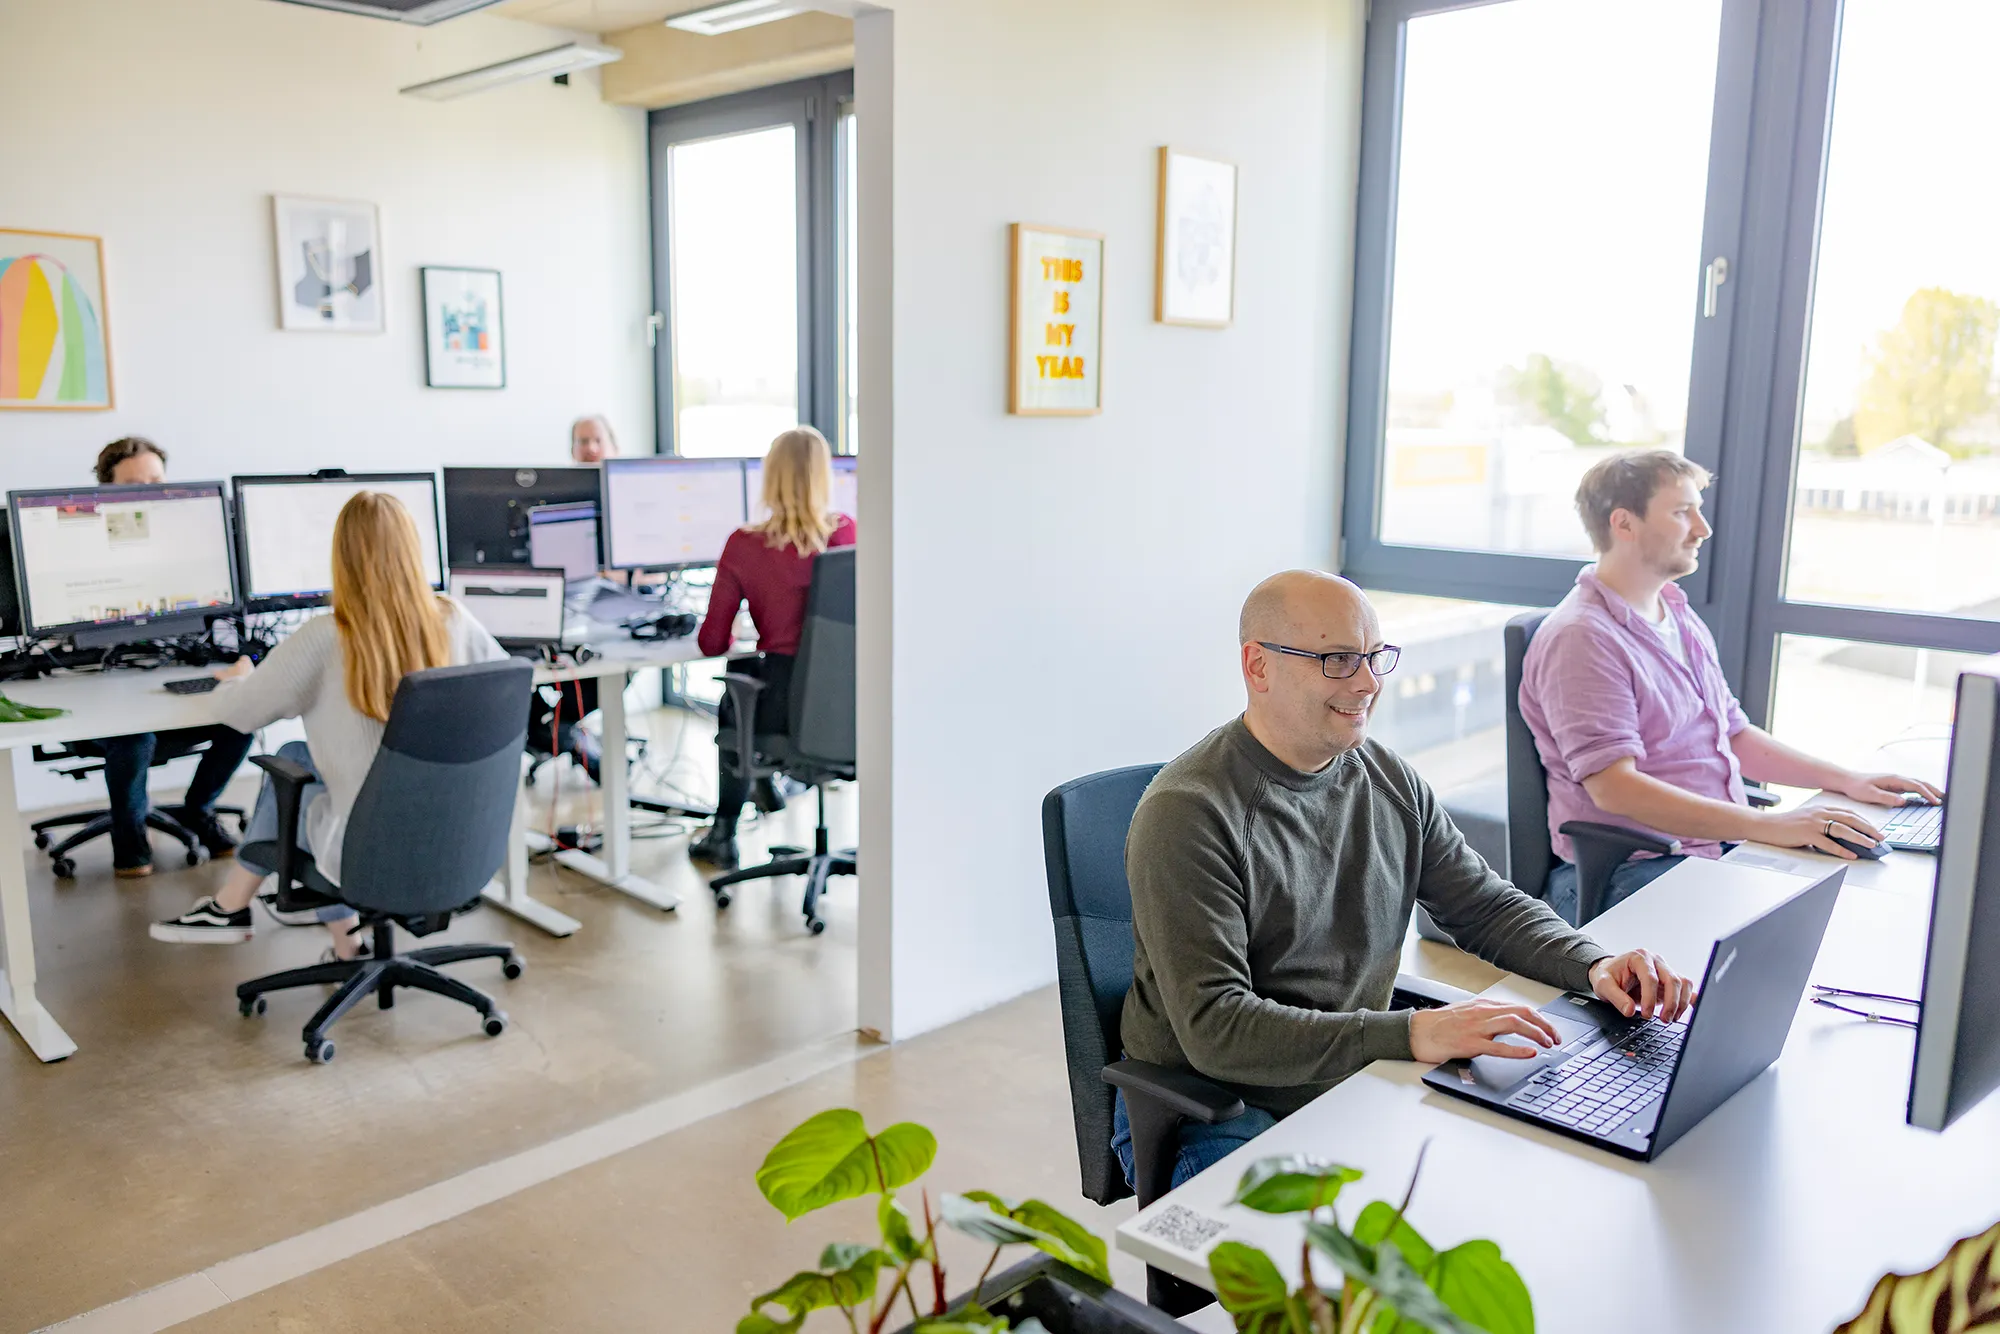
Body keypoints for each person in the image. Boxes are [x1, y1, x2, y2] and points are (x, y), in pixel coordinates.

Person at [1114, 570, 1692, 1190]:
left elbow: (1483, 907)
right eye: (1338, 659)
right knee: (1336, 1253)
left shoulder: (1387, 779)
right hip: (1216, 1108)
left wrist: (1593, 964)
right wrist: (1412, 1031)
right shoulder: (1188, 814)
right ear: (1259, 666)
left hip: (1343, 1078)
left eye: (1374, 657)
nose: (1367, 683)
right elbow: (1217, 1028)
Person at [1519, 450, 1942, 923]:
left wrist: (1847, 780)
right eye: (1682, 512)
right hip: (1632, 872)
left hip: (1711, 850)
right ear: (1624, 523)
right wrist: (1771, 825)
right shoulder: (1582, 638)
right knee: (1828, 927)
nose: (1702, 528)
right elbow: (1616, 790)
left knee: (1865, 902)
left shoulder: (1675, 614)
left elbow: (1733, 734)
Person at [150, 492, 507, 951]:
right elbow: (505, 687)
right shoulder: (456, 618)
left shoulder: (325, 636)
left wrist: (237, 679)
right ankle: (338, 943)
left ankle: (230, 906)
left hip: (370, 850)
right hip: (460, 840)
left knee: (288, 774)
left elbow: (240, 714)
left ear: (342, 557)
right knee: (296, 756)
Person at [687, 426, 857, 870]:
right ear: (823, 477)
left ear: (770, 478)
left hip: (780, 706)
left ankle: (724, 833)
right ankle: (768, 790)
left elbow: (711, 643)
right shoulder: (848, 534)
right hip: (850, 705)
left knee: (738, 684)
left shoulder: (744, 544)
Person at [89, 437, 254, 876]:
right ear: (104, 490)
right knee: (133, 738)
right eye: (133, 485)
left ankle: (199, 809)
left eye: (156, 482)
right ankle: (129, 840)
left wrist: (238, 655)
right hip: (106, 690)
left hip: (171, 675)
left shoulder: (195, 542)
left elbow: (222, 616)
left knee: (243, 718)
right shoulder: (81, 546)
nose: (149, 494)